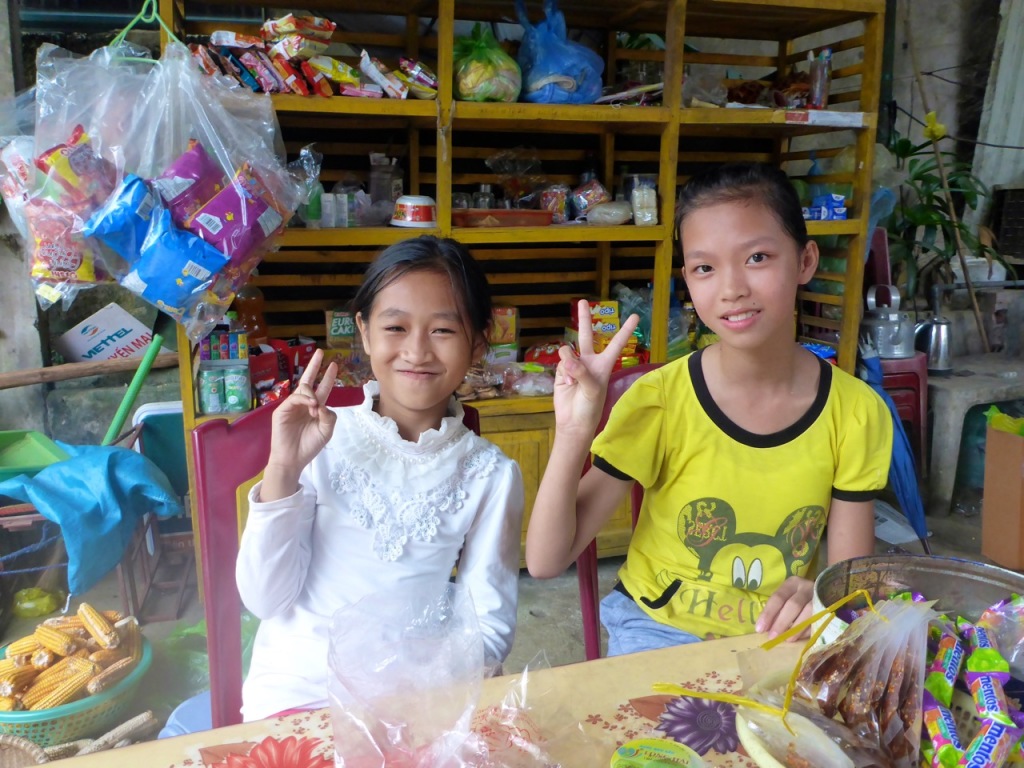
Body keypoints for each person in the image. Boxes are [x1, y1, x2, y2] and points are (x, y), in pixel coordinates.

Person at [526, 162, 892, 656]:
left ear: (805, 261)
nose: (731, 287)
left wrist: (824, 598)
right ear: (688, 280)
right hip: (655, 629)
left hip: (782, 636)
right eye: (705, 267)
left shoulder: (855, 412)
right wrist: (573, 434)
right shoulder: (660, 401)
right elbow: (547, 561)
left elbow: (849, 586)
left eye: (758, 257)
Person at [236, 235, 525, 720]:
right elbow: (265, 599)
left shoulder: (490, 474)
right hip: (295, 698)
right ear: (365, 334)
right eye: (395, 326)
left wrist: (430, 698)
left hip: (409, 707)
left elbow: (489, 625)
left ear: (477, 343)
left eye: (443, 331)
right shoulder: (320, 443)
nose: (416, 351)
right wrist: (283, 468)